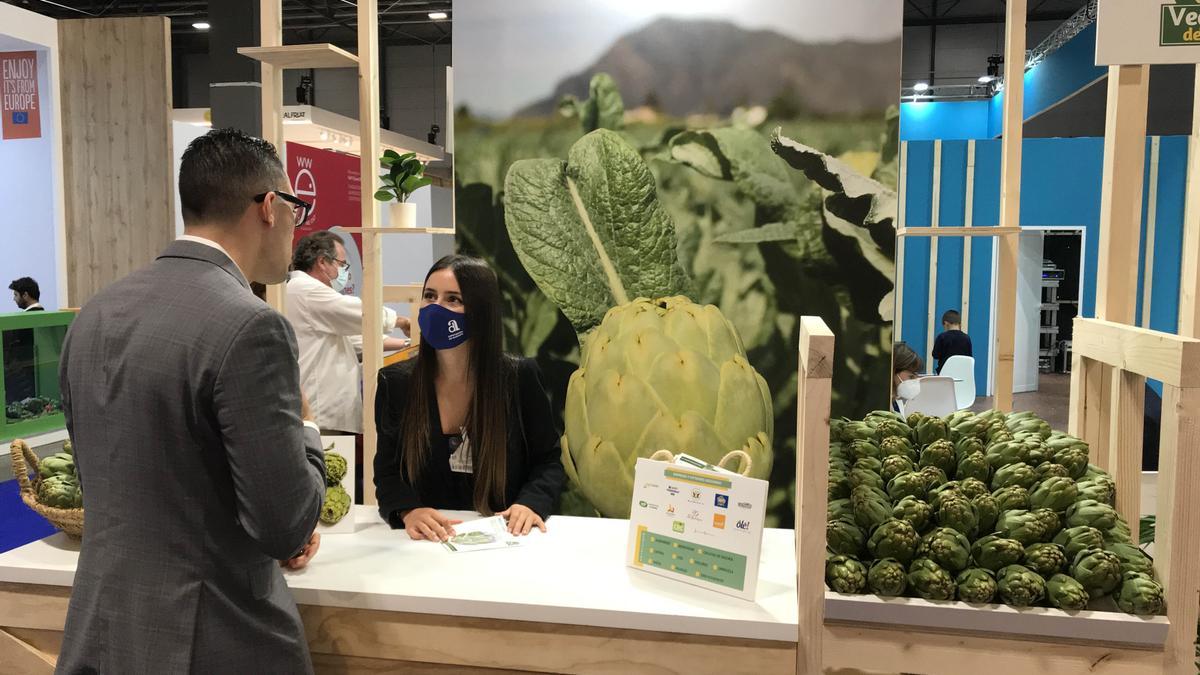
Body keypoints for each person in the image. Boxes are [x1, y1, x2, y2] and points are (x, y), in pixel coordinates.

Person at [56, 128, 327, 674]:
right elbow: (285, 524)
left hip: (101, 634)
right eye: (297, 209)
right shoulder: (251, 326)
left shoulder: (95, 314)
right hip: (215, 640)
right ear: (270, 207)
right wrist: (308, 429)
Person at [374, 255, 566, 541]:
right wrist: (408, 510)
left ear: (480, 310)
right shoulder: (396, 382)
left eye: (453, 299)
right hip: (427, 544)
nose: (436, 307)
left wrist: (530, 503)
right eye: (430, 296)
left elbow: (548, 461)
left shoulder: (519, 377)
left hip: (506, 538)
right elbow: (387, 472)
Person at [286, 230, 411, 436]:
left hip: (326, 414)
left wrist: (407, 346)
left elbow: (357, 339)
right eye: (342, 264)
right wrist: (402, 321)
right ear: (323, 262)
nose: (344, 271)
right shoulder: (305, 289)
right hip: (320, 413)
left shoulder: (309, 294)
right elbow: (361, 314)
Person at [931, 309, 972, 374]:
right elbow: (969, 357)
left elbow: (935, 355)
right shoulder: (967, 338)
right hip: (962, 374)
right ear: (959, 324)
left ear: (946, 323)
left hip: (945, 374)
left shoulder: (942, 337)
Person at [893, 341, 923, 409]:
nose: (915, 381)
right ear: (893, 371)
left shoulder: (897, 403)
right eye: (911, 377)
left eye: (917, 376)